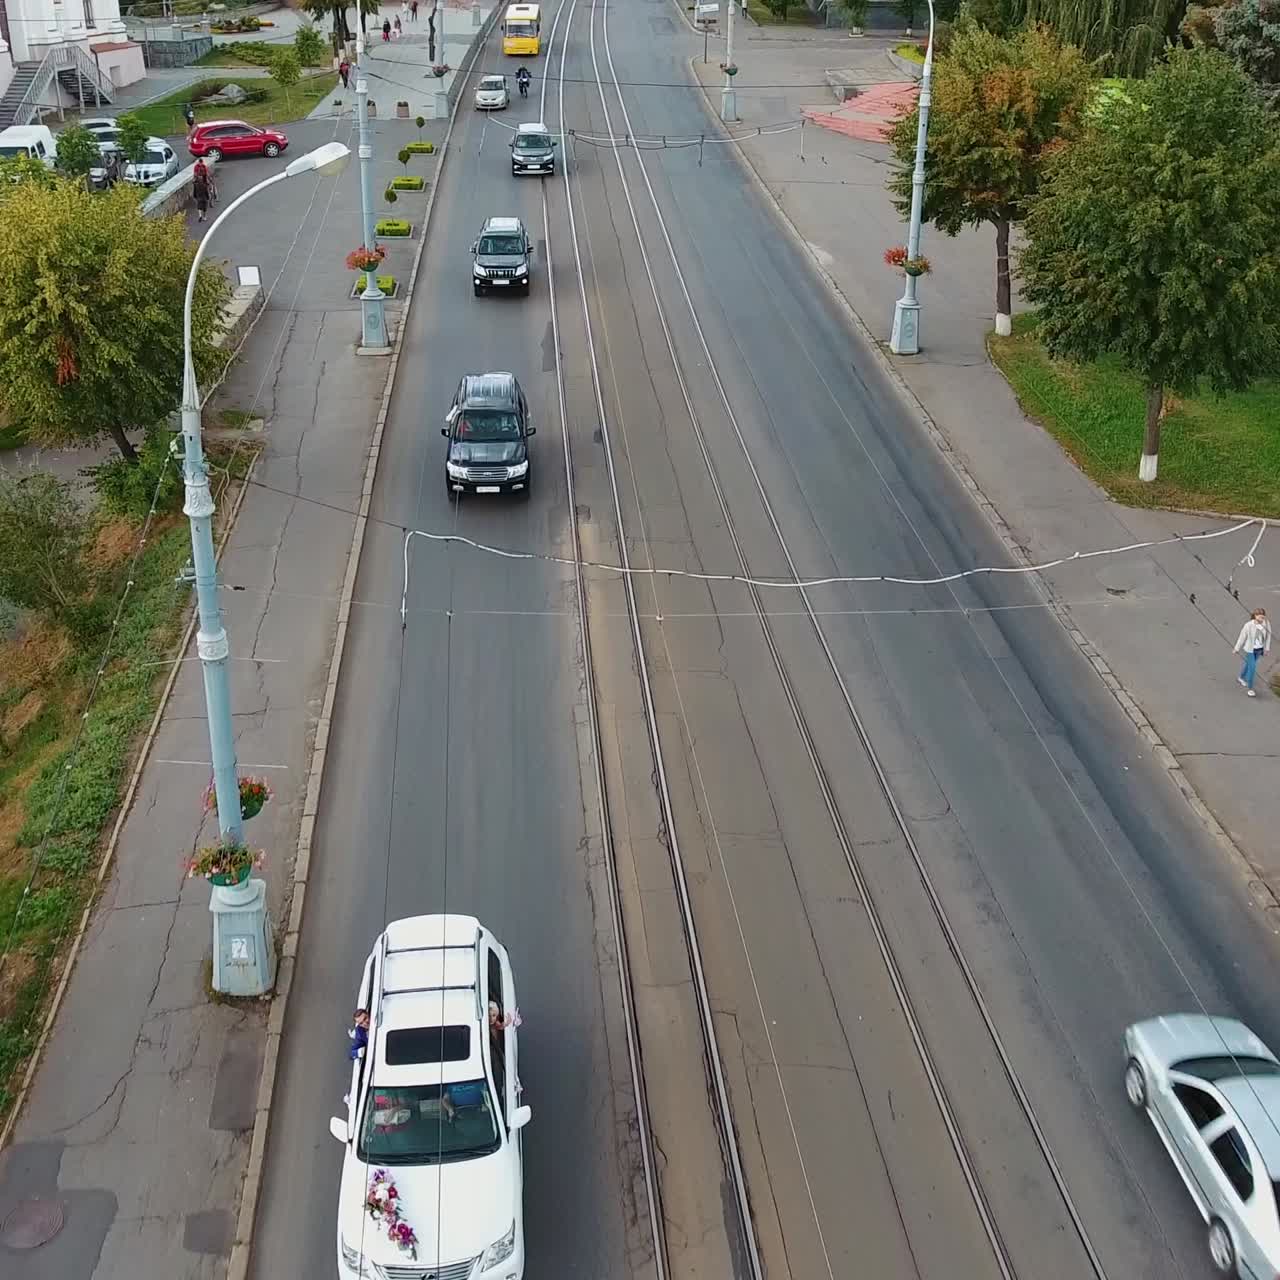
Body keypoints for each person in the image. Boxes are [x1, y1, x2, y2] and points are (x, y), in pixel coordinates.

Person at [1234, 607, 1271, 697]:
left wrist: (1266, 648)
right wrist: (1237, 648)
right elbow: (1242, 637)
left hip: (1259, 650)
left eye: (1263, 617)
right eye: (1260, 617)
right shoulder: (1248, 625)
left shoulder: (1266, 624)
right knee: (1252, 668)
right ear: (1255, 616)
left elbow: (1268, 636)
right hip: (1250, 650)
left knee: (1248, 665)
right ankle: (1250, 689)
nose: (1262, 619)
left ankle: (1241, 677)